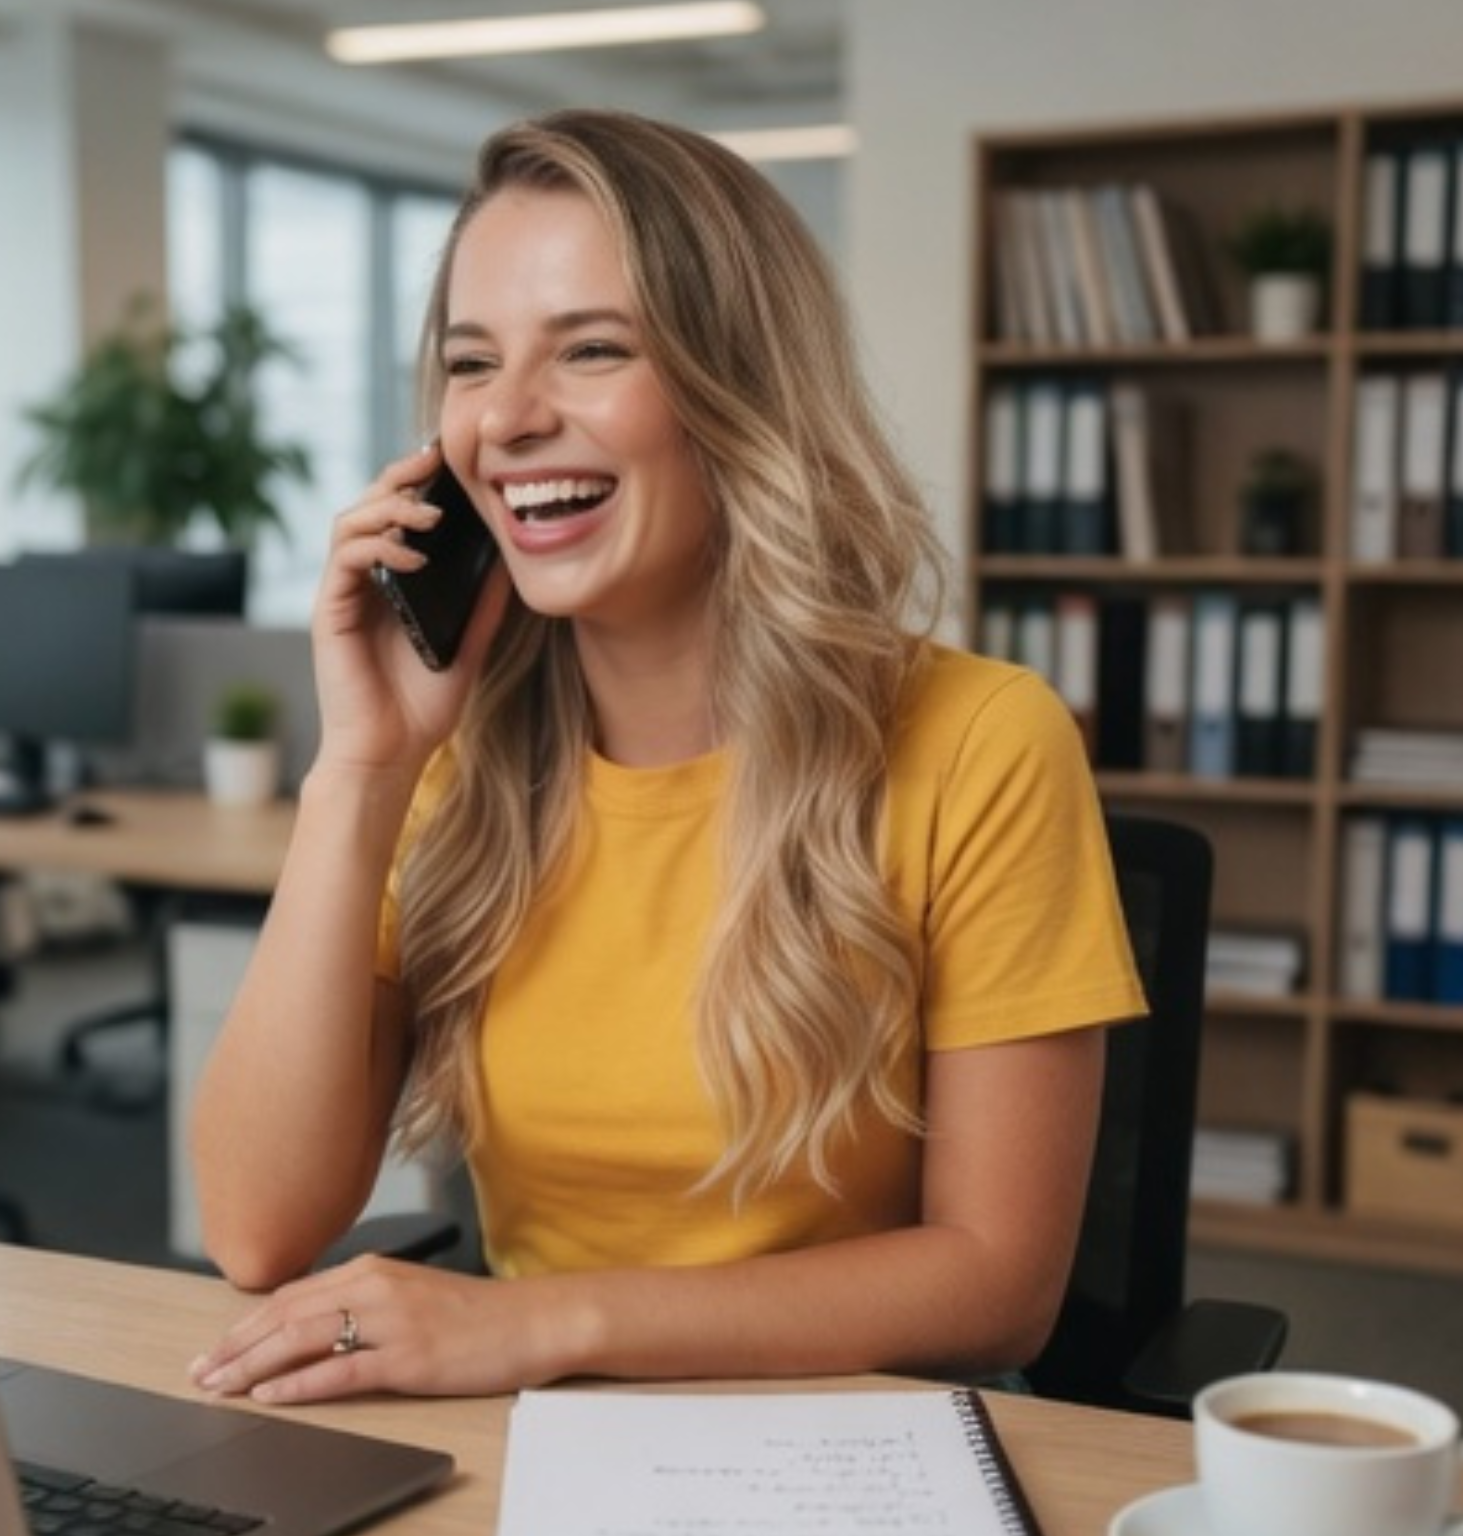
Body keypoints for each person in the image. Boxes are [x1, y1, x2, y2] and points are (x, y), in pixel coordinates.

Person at [187, 108, 1145, 1406]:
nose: (509, 420)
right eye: (472, 366)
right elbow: (257, 1228)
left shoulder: (978, 740)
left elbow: (997, 1284)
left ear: (735, 388)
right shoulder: (457, 770)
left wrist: (540, 1325)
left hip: (845, 1446)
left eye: (591, 350)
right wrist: (360, 772)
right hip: (530, 1441)